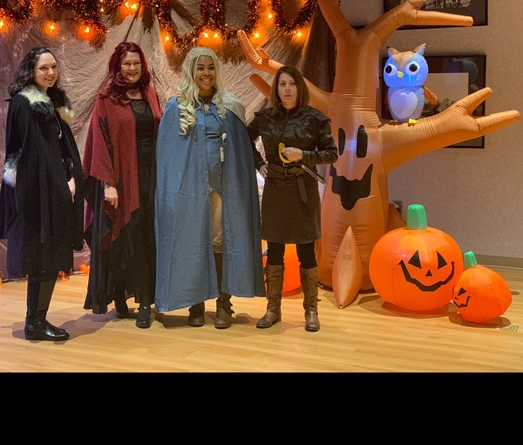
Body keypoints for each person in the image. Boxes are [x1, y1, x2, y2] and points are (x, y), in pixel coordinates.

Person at [154, 46, 265, 329]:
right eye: (201, 68)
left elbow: (241, 148)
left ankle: (223, 303)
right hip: (190, 191)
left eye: (211, 67)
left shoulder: (230, 106)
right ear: (191, 71)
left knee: (222, 243)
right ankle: (196, 304)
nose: (206, 73)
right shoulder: (176, 107)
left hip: (224, 187)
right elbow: (168, 156)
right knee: (192, 242)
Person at [0, 46, 85, 341]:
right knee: (41, 257)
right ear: (31, 71)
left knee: (52, 256)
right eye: (43, 68)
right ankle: (34, 322)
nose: (50, 73)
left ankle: (37, 319)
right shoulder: (24, 103)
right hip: (36, 192)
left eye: (53, 67)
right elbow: (29, 154)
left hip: (55, 188)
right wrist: (59, 184)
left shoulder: (53, 102)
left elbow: (60, 148)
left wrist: (69, 175)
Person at [248, 64, 338, 332]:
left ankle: (311, 310)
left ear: (300, 88)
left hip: (303, 191)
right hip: (275, 189)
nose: (287, 89)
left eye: (292, 84)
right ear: (276, 89)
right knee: (274, 249)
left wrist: (304, 155)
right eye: (282, 84)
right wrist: (259, 164)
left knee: (306, 251)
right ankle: (273, 309)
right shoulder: (266, 118)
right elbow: (244, 139)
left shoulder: (315, 119)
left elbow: (332, 153)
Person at [82, 41, 162, 329]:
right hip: (122, 178)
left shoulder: (150, 93)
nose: (132, 68)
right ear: (117, 66)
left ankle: (145, 297)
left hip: (150, 176)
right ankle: (129, 299)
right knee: (125, 237)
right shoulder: (106, 99)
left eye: (136, 63)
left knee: (146, 237)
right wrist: (108, 184)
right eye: (126, 63)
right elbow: (99, 143)